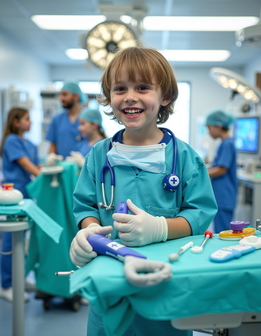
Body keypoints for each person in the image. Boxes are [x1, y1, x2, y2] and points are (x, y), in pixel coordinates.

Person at [69, 47, 217, 336]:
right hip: (110, 284)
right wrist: (89, 232)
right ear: (109, 98)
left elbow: (200, 214)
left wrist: (160, 228)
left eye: (143, 87)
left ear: (165, 97)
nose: (130, 96)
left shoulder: (185, 158)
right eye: (120, 88)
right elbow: (85, 207)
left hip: (164, 284)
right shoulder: (99, 156)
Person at [0, 107, 41, 302]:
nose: (30, 122)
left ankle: (20, 278)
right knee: (10, 240)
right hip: (12, 196)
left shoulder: (30, 144)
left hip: (27, 195)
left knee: (22, 239)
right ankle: (6, 284)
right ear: (16, 122)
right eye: (27, 119)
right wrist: (41, 175)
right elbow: (27, 165)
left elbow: (37, 164)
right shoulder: (12, 141)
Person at [206, 109, 237, 233]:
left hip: (224, 197)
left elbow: (221, 170)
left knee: (223, 233)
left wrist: (202, 174)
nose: (209, 132)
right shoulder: (224, 143)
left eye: (209, 128)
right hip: (221, 196)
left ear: (218, 126)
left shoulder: (227, 143)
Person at [45, 81, 88, 164]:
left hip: (82, 168)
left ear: (76, 96)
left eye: (65, 94)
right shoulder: (57, 119)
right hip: (62, 168)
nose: (61, 98)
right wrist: (51, 158)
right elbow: (53, 145)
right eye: (60, 95)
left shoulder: (87, 118)